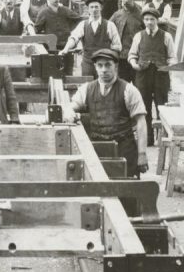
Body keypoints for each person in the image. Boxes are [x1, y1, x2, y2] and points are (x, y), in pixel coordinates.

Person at [63, 48, 149, 179]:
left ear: (116, 66)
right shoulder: (87, 89)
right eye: (100, 65)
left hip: (124, 149)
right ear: (95, 67)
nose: (104, 70)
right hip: (97, 149)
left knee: (127, 191)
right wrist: (69, 112)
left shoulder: (129, 90)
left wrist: (142, 154)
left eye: (108, 65)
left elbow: (141, 122)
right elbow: (71, 106)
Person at [128, 7, 176, 146]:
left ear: (157, 20)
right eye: (147, 19)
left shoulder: (166, 36)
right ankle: (147, 139)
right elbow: (132, 55)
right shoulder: (139, 36)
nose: (149, 22)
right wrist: (134, 64)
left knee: (162, 106)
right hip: (143, 75)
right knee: (144, 107)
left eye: (152, 19)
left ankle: (163, 138)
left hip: (161, 75)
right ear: (143, 21)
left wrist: (167, 67)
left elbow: (173, 57)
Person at [60, 0, 121, 77]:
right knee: (88, 86)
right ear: (88, 9)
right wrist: (66, 49)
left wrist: (110, 61)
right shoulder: (83, 25)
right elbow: (74, 38)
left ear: (101, 8)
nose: (94, 9)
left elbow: (117, 46)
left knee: (105, 87)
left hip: (104, 64)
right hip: (88, 64)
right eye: (91, 7)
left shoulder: (110, 25)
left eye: (96, 7)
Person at [34, 0, 82, 73]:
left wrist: (71, 30)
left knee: (68, 71)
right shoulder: (44, 12)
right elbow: (36, 29)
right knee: (53, 72)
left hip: (66, 47)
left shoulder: (65, 10)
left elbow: (78, 19)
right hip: (52, 49)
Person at [111, 0, 143, 81]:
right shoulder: (117, 15)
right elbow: (107, 30)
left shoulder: (142, 14)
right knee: (122, 85)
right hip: (122, 57)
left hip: (138, 56)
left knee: (138, 86)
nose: (126, 0)